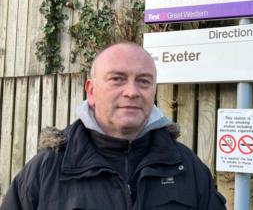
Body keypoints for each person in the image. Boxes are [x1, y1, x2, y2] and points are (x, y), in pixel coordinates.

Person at [0, 42, 226, 210]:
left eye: (144, 81)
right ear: (91, 91)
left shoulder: (187, 167)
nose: (132, 91)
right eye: (117, 79)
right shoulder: (45, 171)